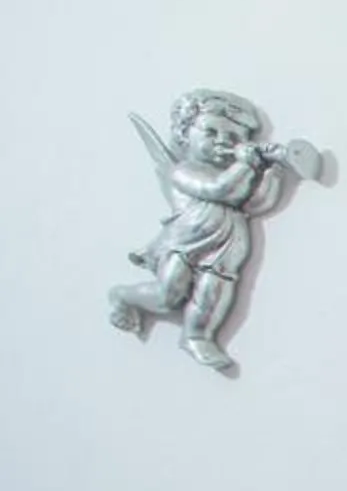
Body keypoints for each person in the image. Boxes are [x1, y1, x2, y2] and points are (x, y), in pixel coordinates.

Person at [109, 90, 315, 373]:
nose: (223, 142)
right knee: (169, 295)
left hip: (227, 246)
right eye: (211, 132)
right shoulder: (184, 171)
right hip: (186, 244)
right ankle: (123, 295)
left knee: (214, 294)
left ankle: (197, 336)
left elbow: (257, 203)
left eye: (233, 137)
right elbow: (219, 189)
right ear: (185, 136)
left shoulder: (240, 175)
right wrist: (245, 162)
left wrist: (274, 172)